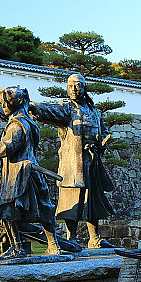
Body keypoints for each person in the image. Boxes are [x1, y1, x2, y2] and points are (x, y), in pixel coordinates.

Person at [0, 86, 60, 259]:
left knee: (7, 211)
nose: (3, 105)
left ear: (17, 102)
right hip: (30, 170)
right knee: (44, 209)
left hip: (18, 174)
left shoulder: (17, 125)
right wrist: (1, 115)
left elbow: (6, 148)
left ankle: (18, 248)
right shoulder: (27, 120)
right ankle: (53, 245)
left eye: (5, 103)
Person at [29, 73, 114, 248]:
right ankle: (72, 238)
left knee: (92, 201)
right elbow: (49, 110)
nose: (74, 89)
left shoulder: (94, 112)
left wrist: (101, 142)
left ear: (85, 88)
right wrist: (31, 106)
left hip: (92, 161)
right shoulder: (67, 108)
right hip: (73, 163)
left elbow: (103, 131)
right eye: (70, 86)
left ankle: (95, 239)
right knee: (72, 199)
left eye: (78, 85)